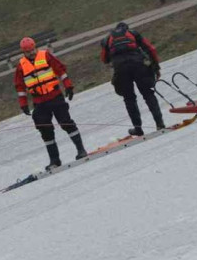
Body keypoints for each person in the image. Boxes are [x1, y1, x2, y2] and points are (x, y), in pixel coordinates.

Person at [14, 36, 88, 170]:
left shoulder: (45, 56)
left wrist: (68, 86)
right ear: (23, 52)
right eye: (28, 51)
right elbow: (20, 87)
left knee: (66, 122)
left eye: (32, 50)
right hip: (39, 102)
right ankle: (54, 160)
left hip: (55, 96)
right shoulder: (21, 66)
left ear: (35, 47)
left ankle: (81, 150)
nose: (31, 53)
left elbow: (60, 70)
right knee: (45, 130)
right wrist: (23, 104)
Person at [100, 22, 165, 136]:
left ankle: (138, 129)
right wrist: (156, 68)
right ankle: (159, 124)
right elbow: (151, 49)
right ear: (126, 28)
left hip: (121, 70)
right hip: (138, 66)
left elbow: (104, 59)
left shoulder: (108, 39)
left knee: (129, 99)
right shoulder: (133, 34)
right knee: (148, 94)